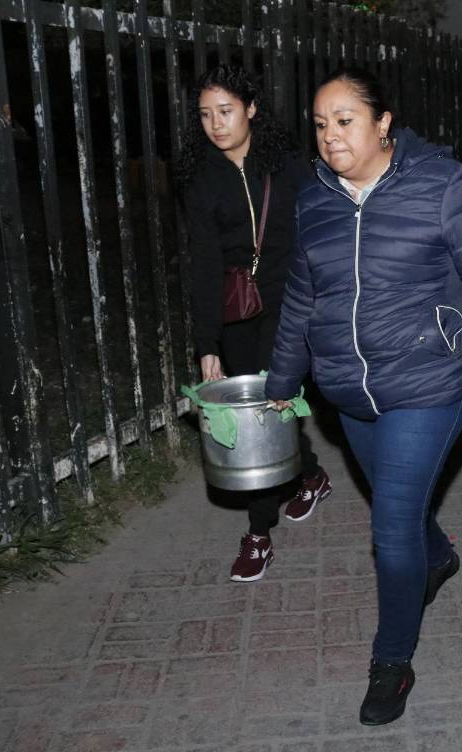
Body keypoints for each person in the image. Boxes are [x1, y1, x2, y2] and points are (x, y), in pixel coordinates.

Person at [264, 67, 462, 725]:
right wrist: (281, 381)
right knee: (403, 510)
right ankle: (439, 556)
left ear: (383, 123)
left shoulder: (443, 186)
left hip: (432, 383)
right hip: (349, 394)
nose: (331, 137)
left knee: (388, 526)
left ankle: (392, 659)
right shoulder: (315, 201)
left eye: (345, 120)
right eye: (321, 125)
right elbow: (303, 296)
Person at [175, 64, 332, 583]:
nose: (215, 124)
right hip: (238, 306)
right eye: (205, 115)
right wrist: (207, 342)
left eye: (225, 111)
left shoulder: (288, 165)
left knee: (266, 412)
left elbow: (320, 231)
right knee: (265, 412)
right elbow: (201, 264)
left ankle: (259, 534)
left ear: (251, 109)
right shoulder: (200, 179)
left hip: (292, 300)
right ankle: (309, 473)